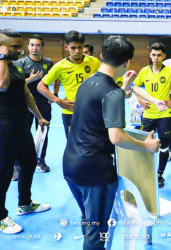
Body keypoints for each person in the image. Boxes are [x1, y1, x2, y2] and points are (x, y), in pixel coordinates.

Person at [63, 36, 163, 250]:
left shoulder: (88, 82)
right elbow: (116, 137)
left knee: (89, 220)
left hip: (71, 164)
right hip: (94, 171)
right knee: (98, 230)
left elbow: (103, 102)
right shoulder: (112, 92)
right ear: (127, 62)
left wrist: (123, 87)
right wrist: (146, 146)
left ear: (101, 56)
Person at [0, 29, 50, 234]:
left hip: (20, 126)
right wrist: (2, 56)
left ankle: (25, 203)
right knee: (3, 173)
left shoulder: (16, 66)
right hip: (3, 128)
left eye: (20, 46)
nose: (20, 50)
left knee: (29, 163)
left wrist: (39, 116)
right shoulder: (3, 65)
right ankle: (1, 217)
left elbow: (25, 91)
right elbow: (2, 86)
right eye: (14, 47)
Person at [134, 42, 171, 188]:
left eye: (159, 55)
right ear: (150, 55)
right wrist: (140, 100)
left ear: (164, 56)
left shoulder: (170, 72)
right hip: (148, 114)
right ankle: (146, 174)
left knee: (164, 145)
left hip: (165, 114)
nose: (156, 58)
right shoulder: (144, 71)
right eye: (153, 55)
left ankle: (159, 175)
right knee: (145, 144)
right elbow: (134, 86)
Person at [37, 30, 101, 139]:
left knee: (94, 144)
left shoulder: (94, 62)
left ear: (84, 46)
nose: (77, 51)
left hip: (93, 112)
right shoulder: (60, 66)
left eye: (80, 47)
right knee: (74, 145)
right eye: (73, 48)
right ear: (66, 47)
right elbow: (41, 86)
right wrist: (58, 101)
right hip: (71, 113)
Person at [15, 34, 58, 174]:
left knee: (43, 133)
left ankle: (41, 160)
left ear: (42, 47)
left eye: (38, 45)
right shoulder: (21, 63)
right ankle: (18, 162)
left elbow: (57, 77)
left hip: (43, 104)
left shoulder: (48, 63)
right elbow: (15, 84)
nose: (34, 48)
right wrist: (31, 78)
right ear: (28, 47)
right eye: (32, 45)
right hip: (24, 104)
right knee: (22, 133)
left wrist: (54, 94)